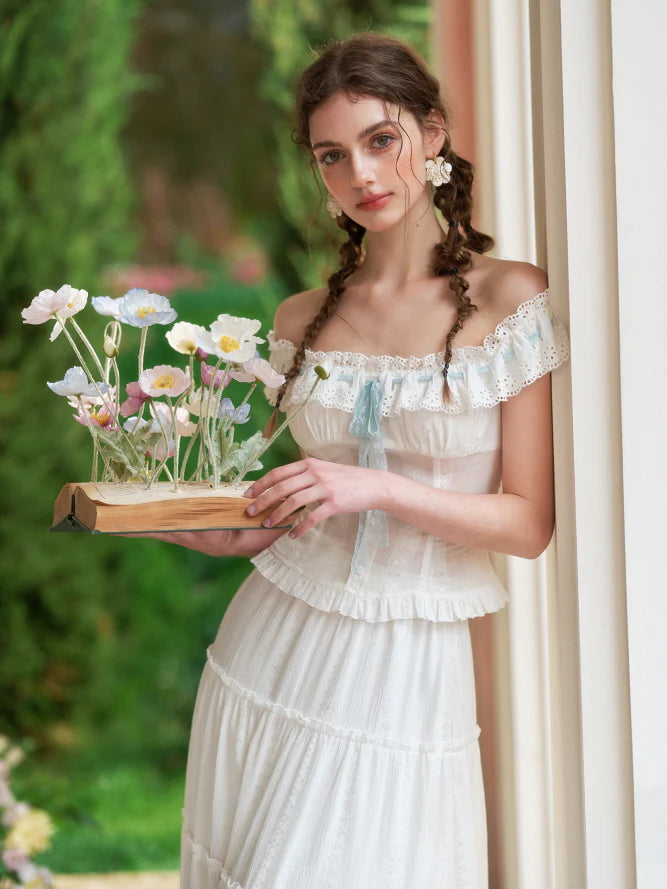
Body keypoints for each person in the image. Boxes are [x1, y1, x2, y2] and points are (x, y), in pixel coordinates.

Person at [149, 31, 570, 889]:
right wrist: (228, 527)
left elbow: (527, 523)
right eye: (331, 155)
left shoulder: (509, 298)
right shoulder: (300, 317)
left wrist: (376, 485)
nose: (360, 175)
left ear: (433, 132)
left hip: (405, 664)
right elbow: (307, 499)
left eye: (381, 140)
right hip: (270, 643)